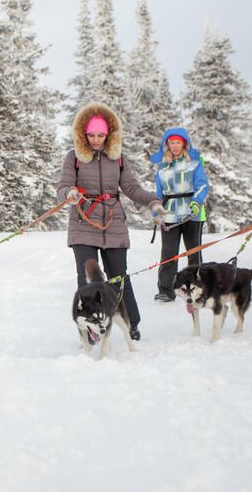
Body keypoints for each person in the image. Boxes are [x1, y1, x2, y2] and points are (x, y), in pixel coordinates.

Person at [56, 102, 164, 341]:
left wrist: (153, 203)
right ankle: (88, 329)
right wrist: (69, 193)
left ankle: (130, 323)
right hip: (83, 223)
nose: (96, 140)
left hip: (113, 223)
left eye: (101, 135)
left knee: (118, 277)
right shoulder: (73, 157)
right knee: (87, 280)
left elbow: (132, 188)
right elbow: (63, 187)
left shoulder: (119, 159)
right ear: (84, 134)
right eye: (92, 135)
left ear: (109, 135)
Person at [150, 127, 209, 302]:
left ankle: (197, 289)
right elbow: (158, 192)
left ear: (184, 143)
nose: (175, 146)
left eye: (178, 142)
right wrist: (156, 210)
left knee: (194, 253)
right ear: (167, 144)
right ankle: (166, 290)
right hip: (169, 213)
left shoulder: (195, 162)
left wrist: (197, 202)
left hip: (192, 213)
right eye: (172, 142)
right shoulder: (162, 166)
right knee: (169, 252)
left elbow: (203, 185)